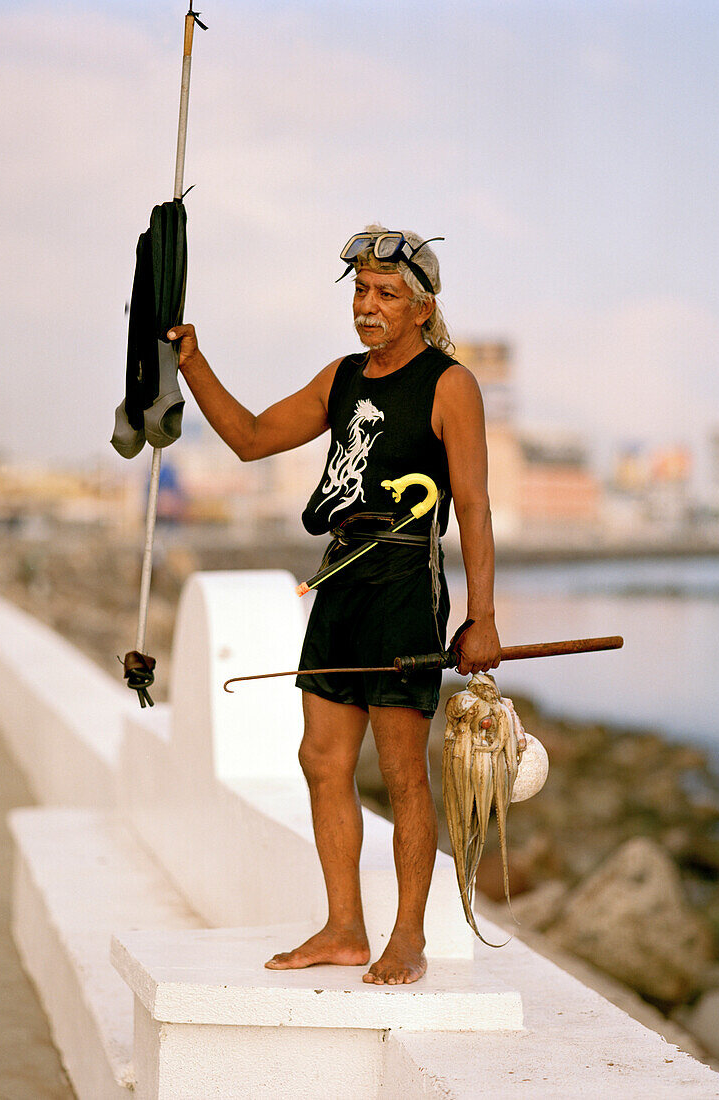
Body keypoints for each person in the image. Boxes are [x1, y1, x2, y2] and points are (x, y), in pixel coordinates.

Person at [169, 225, 500, 985]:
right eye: (360, 291)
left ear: (421, 307)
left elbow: (475, 508)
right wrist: (193, 364)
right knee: (320, 759)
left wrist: (480, 618)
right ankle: (345, 929)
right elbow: (251, 439)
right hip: (340, 577)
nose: (368, 306)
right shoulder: (342, 376)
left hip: (403, 584)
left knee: (402, 770)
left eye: (385, 294)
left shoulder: (449, 385)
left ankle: (407, 935)